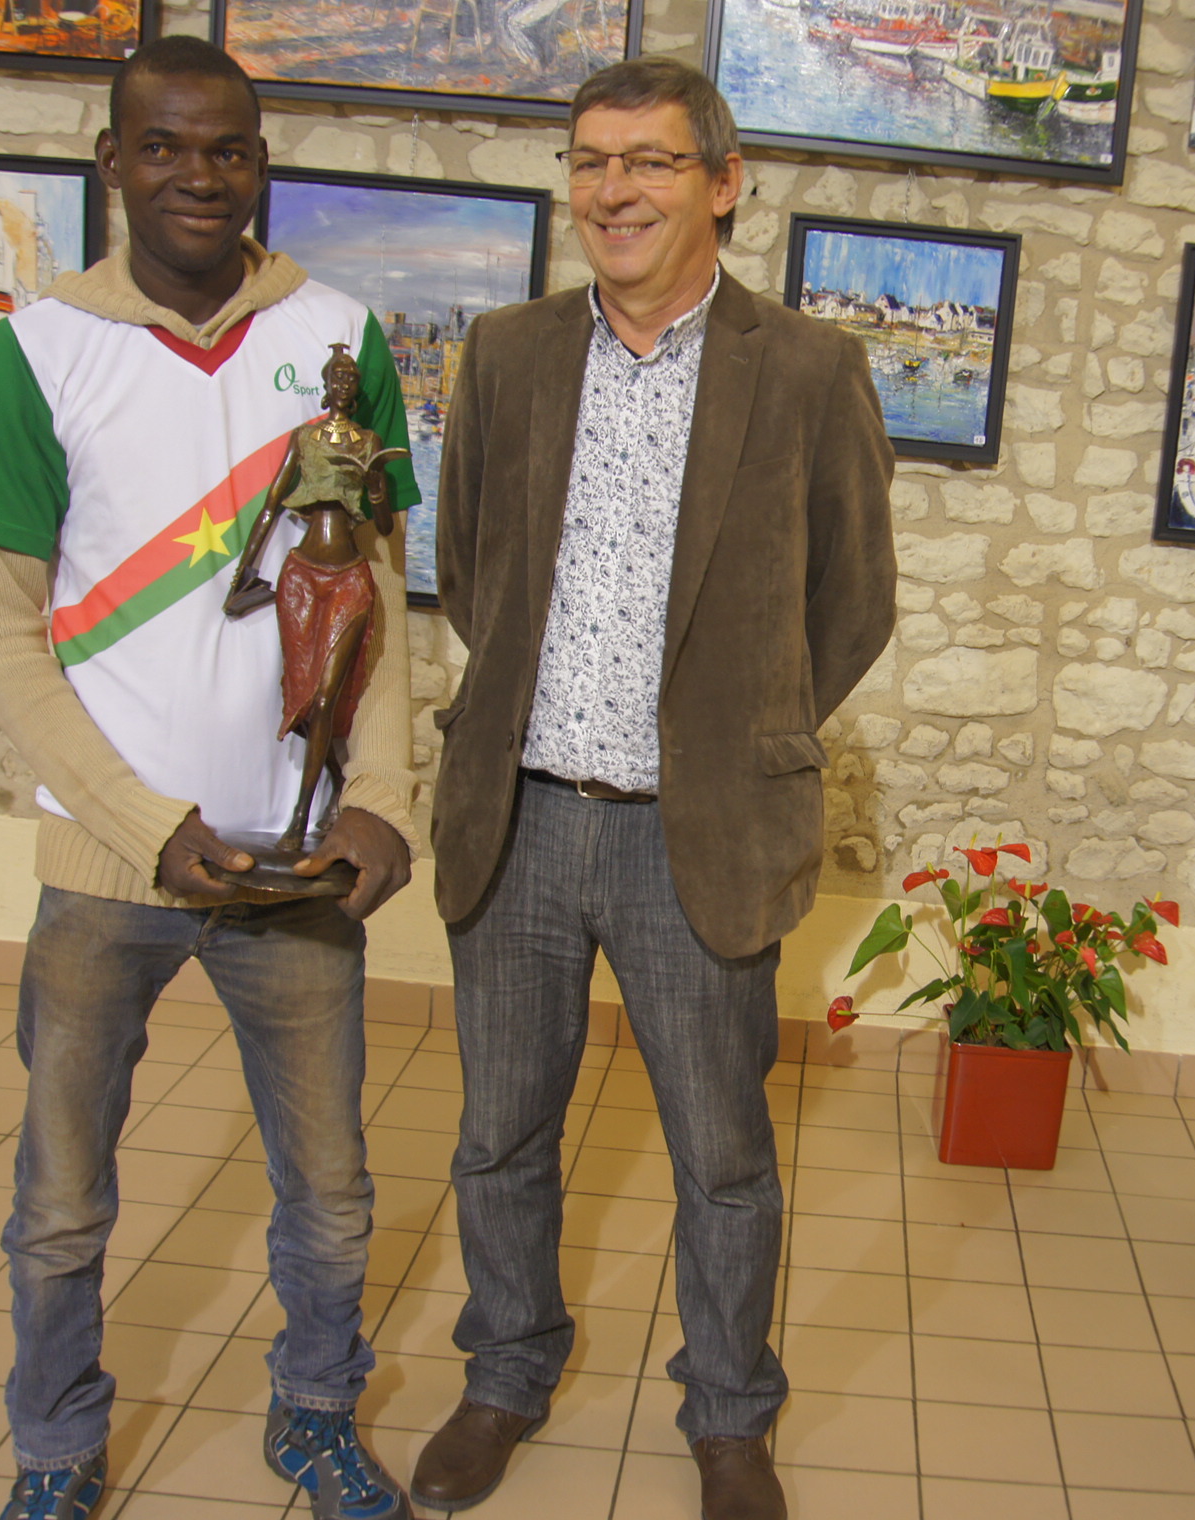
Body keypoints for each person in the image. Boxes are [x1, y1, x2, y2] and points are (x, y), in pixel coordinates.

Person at [0, 35, 422, 1520]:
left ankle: (316, 1415)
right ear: (112, 161)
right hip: (108, 870)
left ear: (261, 163)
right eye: (163, 146)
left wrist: (385, 792)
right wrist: (143, 827)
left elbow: (377, 591)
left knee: (330, 1196)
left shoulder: (340, 334)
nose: (197, 175)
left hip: (296, 860)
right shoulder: (40, 350)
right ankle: (57, 1449)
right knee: (60, 1206)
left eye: (227, 149)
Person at [414, 57, 895, 1520]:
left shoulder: (807, 370)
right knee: (499, 1134)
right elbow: (469, 567)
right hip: (520, 818)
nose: (612, 190)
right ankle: (506, 1371)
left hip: (700, 836)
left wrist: (742, 735)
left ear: (723, 184)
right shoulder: (505, 352)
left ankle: (731, 1412)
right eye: (589, 160)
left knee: (722, 1156)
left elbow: (852, 601)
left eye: (650, 162)